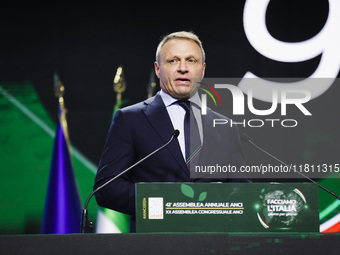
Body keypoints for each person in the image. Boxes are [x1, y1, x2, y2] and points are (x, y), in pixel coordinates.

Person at [94, 31, 249, 232]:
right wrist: (169, 203)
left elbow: (243, 193)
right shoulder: (130, 119)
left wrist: (218, 201)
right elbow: (107, 188)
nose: (183, 68)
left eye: (191, 61)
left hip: (213, 241)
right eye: (173, 60)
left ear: (202, 70)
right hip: (153, 241)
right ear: (158, 69)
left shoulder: (226, 126)